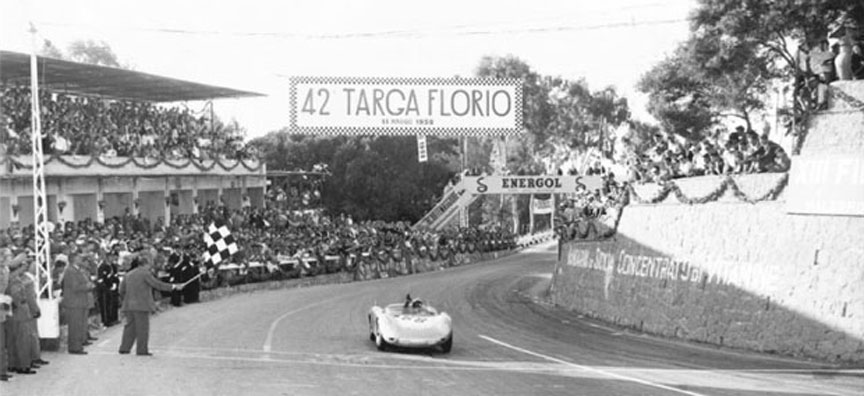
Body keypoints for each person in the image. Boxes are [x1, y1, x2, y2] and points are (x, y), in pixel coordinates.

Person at [118, 252, 184, 356]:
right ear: (146, 264)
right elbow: (157, 284)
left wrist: (125, 300)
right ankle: (142, 350)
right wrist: (173, 287)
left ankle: (124, 347)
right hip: (141, 305)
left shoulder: (128, 274)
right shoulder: (145, 274)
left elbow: (121, 290)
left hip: (129, 304)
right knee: (142, 328)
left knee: (130, 327)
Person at [60, 254, 93, 355]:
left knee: (78, 325)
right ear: (73, 259)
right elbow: (75, 287)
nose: (81, 260)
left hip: (78, 302)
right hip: (74, 302)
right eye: (79, 258)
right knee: (75, 326)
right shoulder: (70, 271)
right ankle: (74, 347)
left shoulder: (76, 270)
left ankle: (77, 345)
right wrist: (87, 286)